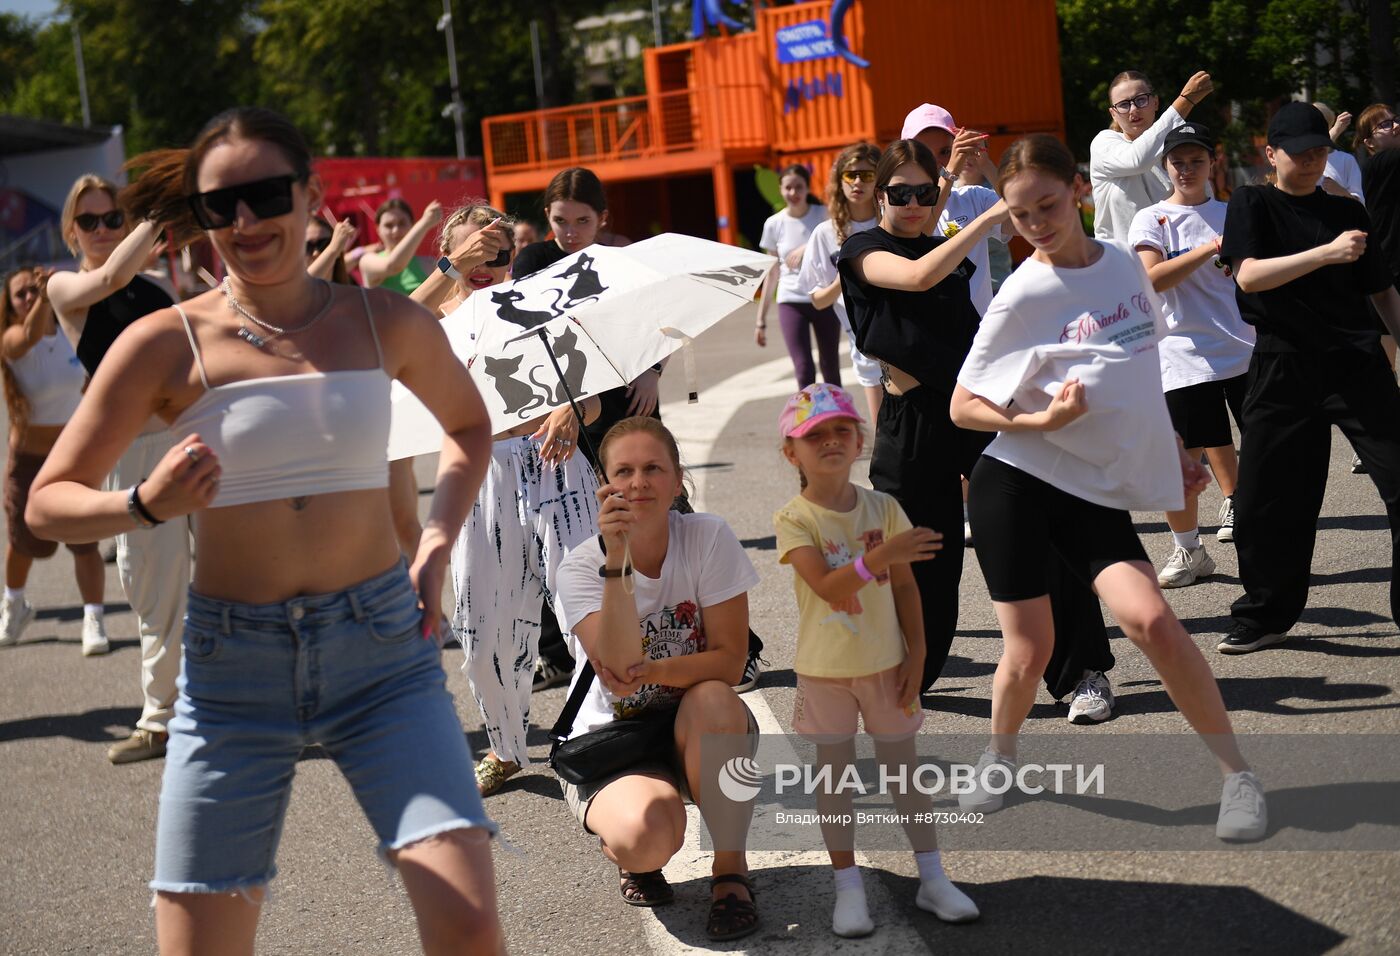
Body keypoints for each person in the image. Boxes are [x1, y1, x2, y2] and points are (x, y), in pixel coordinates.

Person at [27, 106, 504, 954]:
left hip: (383, 656)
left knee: (467, 921)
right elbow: (46, 500)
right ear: (202, 220)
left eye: (265, 194)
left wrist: (435, 542)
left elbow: (469, 426)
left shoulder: (383, 321)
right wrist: (143, 503)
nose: (245, 221)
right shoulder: (162, 342)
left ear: (311, 195)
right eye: (221, 206)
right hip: (229, 675)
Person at [949, 133, 1267, 842]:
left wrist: (1176, 450)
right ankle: (998, 757)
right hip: (1017, 482)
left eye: (1048, 204)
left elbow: (1142, 371)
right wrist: (1044, 416)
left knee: (1152, 621)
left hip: (1091, 490)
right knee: (1029, 650)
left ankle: (1236, 776)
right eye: (1020, 214)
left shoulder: (1124, 265)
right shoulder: (1024, 293)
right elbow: (963, 406)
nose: (1036, 223)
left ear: (1079, 193)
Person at [411, 200, 603, 798]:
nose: (485, 262)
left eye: (496, 250)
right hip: (480, 475)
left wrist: (573, 409)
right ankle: (506, 745)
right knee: (484, 625)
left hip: (558, 467)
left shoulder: (539, 304)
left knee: (585, 605)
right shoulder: (432, 318)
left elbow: (593, 393)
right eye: (474, 252)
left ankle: (598, 735)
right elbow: (379, 329)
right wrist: (450, 267)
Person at [774, 383, 979, 938]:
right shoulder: (794, 519)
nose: (830, 441)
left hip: (888, 663)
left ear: (861, 440)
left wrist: (919, 653)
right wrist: (880, 556)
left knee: (905, 774)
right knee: (834, 779)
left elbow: (908, 589)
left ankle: (933, 878)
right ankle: (848, 886)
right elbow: (823, 584)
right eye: (813, 435)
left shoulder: (883, 506)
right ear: (791, 453)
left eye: (841, 430)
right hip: (825, 672)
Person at [554, 417, 760, 941]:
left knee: (715, 698)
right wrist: (617, 555)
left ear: (677, 481)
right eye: (623, 471)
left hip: (698, 720)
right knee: (647, 833)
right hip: (614, 740)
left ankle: (730, 873)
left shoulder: (707, 536)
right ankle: (631, 853)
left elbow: (731, 660)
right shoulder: (579, 568)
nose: (638, 482)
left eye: (653, 469)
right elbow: (619, 677)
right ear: (605, 485)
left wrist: (656, 671)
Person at [1217, 102, 1400, 654]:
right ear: (1270, 154)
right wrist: (1325, 253)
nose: (1313, 162)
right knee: (1269, 502)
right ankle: (1266, 614)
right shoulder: (1253, 203)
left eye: (1321, 152)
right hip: (1282, 364)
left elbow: (1382, 292)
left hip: (1356, 363)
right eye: (1301, 154)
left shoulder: (1347, 210)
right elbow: (1249, 276)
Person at [835, 138, 1008, 691]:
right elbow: (915, 277)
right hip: (910, 426)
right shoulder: (862, 248)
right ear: (881, 194)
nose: (911, 202)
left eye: (924, 192)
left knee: (1027, 539)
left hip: (971, 413)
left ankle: (1078, 671)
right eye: (899, 191)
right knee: (925, 568)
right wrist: (988, 219)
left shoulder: (944, 251)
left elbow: (970, 336)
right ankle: (906, 676)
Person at [46, 173, 186, 765]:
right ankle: (160, 721)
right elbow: (109, 278)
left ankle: (245, 710)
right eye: (90, 221)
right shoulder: (65, 286)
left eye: (112, 219)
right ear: (71, 229)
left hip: (192, 436)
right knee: (155, 593)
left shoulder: (154, 286)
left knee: (241, 580)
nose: (103, 229)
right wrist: (160, 212)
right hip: (135, 456)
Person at [1128, 124, 1256, 587]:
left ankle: (1260, 537)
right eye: (1178, 162)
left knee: (1264, 451)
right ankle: (1189, 551)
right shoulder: (1151, 218)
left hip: (1245, 351)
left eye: (1196, 161)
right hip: (1183, 356)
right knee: (1181, 460)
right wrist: (1209, 249)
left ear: (1212, 163)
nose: (1187, 169)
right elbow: (1153, 279)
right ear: (1165, 166)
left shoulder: (1235, 211)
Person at [0, 266, 107, 655]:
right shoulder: (12, 338)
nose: (30, 296)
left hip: (71, 456)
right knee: (23, 542)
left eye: (34, 289)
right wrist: (47, 294)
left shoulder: (70, 332)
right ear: (10, 307)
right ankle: (14, 604)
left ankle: (93, 618)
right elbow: (29, 333)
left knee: (84, 541)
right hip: (28, 459)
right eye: (21, 294)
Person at [798, 142, 885, 421]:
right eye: (851, 175)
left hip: (906, 336)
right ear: (840, 180)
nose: (858, 181)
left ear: (879, 180)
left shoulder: (892, 222)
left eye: (867, 175)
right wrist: (842, 279)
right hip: (865, 347)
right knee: (883, 431)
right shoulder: (826, 233)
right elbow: (818, 299)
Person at [1090, 69, 1213, 241]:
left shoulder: (1176, 152)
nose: (1133, 109)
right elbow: (1137, 159)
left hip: (1171, 261)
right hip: (1121, 261)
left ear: (1155, 102)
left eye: (1141, 100)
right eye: (1124, 104)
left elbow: (1202, 201)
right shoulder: (1103, 143)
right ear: (1113, 113)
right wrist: (1185, 102)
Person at [757, 164, 841, 389]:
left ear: (807, 188)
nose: (793, 193)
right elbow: (772, 273)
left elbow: (841, 235)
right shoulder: (773, 224)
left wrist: (807, 246)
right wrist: (760, 320)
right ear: (780, 189)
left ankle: (840, 419)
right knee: (804, 368)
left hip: (824, 296)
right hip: (790, 300)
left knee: (830, 366)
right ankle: (809, 422)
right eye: (788, 188)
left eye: (799, 187)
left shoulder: (823, 213)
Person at [359, 197, 440, 294]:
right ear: (378, 229)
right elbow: (393, 266)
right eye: (388, 225)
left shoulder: (429, 263)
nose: (396, 231)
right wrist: (424, 223)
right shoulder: (367, 261)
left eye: (402, 223)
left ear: (412, 225)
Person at [1313, 103, 1365, 201]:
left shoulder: (1346, 160)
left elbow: (1360, 204)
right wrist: (1336, 130)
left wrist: (1341, 192)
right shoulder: (1300, 157)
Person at [305, 215, 357, 285]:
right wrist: (333, 248)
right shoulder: (289, 290)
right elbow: (304, 289)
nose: (315, 253)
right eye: (308, 246)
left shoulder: (351, 289)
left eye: (323, 244)